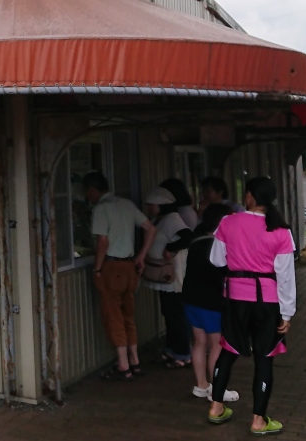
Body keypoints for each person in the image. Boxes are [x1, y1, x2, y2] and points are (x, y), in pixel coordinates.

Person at [207, 176, 296, 436]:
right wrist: (287, 313)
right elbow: (286, 277)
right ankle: (258, 421)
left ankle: (216, 407)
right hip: (267, 302)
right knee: (264, 357)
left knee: (228, 350)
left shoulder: (227, 222)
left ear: (249, 196)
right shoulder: (281, 231)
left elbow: (216, 260)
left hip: (235, 298)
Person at [87, 171, 157, 381]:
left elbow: (103, 242)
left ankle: (123, 364)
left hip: (111, 266)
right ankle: (135, 360)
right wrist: (141, 256)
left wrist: (97, 269)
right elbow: (150, 229)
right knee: (128, 314)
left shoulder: (102, 208)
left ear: (93, 190)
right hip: (129, 266)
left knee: (113, 315)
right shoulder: (126, 204)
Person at [169, 202, 239, 402]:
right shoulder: (218, 247)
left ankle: (201, 385)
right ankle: (218, 389)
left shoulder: (196, 241)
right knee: (217, 345)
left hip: (191, 300)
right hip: (212, 303)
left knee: (199, 342)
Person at [142, 186, 193, 367]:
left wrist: (170, 249)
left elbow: (187, 237)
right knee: (169, 313)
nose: (149, 208)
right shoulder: (160, 219)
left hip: (173, 276)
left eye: (152, 205)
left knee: (175, 314)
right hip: (164, 276)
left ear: (161, 205)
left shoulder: (172, 219)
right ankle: (172, 349)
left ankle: (183, 353)